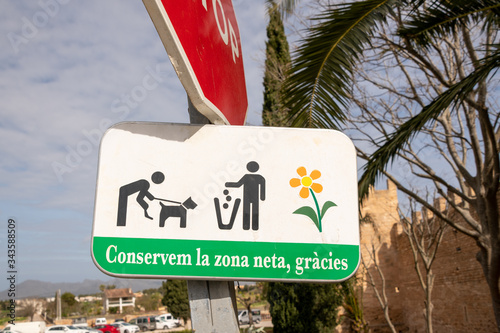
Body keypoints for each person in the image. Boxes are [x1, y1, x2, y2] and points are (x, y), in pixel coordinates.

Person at [225, 161, 265, 230]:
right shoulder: (259, 177)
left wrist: (228, 184)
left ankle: (248, 225)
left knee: (250, 210)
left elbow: (238, 184)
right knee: (251, 210)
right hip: (251, 197)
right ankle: (252, 226)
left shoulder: (248, 177)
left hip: (249, 197)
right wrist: (262, 197)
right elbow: (263, 186)